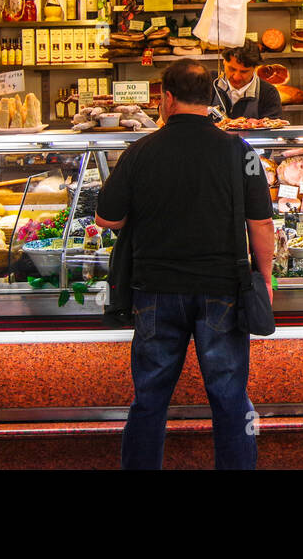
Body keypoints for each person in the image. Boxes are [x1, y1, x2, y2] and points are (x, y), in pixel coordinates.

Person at [96, 59, 276, 470]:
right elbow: (261, 222)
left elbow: (107, 218)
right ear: (211, 99)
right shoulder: (240, 150)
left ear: (166, 98)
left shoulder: (140, 150)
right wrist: (264, 279)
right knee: (230, 399)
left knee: (150, 399)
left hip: (155, 290)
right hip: (223, 291)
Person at [212, 39, 283, 121]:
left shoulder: (268, 93)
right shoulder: (208, 83)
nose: (236, 77)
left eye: (244, 72)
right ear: (224, 62)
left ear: (255, 68)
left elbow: (272, 131)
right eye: (232, 69)